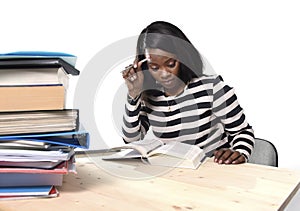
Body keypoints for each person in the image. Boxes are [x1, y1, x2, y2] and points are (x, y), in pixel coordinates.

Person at [121, 21, 255, 164]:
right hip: (176, 175)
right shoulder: (149, 97)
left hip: (215, 173)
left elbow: (243, 132)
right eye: (154, 67)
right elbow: (132, 139)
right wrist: (133, 94)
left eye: (171, 64)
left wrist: (239, 152)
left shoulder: (212, 89)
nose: (165, 74)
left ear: (182, 57)